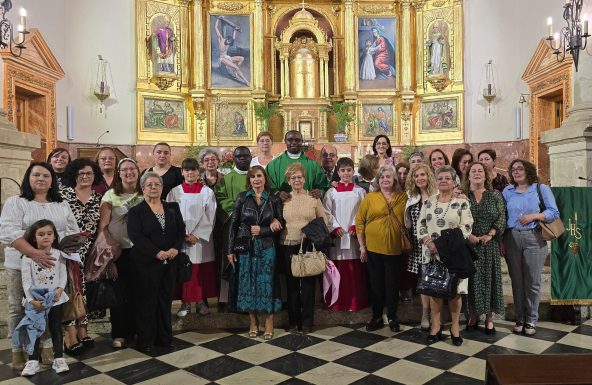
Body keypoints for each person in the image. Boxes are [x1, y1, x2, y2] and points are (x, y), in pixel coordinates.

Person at [0, 162, 79, 370]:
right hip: (21, 263)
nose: (41, 179)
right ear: (28, 178)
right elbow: (9, 231)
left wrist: (69, 246)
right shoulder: (16, 202)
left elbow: (71, 230)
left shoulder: (60, 204)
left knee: (48, 307)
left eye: (46, 175)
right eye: (36, 175)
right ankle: (18, 350)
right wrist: (34, 253)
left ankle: (44, 347)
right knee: (20, 306)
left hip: (53, 265)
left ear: (52, 180)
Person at [127, 172, 186, 353]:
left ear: (162, 188)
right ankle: (146, 340)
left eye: (157, 184)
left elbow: (181, 230)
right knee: (147, 302)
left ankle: (165, 338)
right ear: (143, 189)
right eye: (149, 185)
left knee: (165, 301)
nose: (153, 188)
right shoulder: (136, 211)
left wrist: (175, 248)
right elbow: (136, 236)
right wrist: (156, 252)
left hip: (170, 262)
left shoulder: (172, 207)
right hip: (146, 264)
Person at [417, 165, 473, 346]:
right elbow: (421, 225)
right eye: (440, 178)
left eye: (447, 178)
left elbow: (466, 227)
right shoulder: (429, 202)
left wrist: (443, 245)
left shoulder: (462, 203)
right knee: (435, 291)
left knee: (455, 293)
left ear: (454, 181)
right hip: (432, 254)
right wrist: (428, 242)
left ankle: (455, 327)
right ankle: (436, 326)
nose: (443, 181)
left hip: (454, 255)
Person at [503, 159, 559, 336]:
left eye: (520, 168)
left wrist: (534, 216)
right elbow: (502, 216)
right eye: (513, 170)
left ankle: (532, 320)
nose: (516, 172)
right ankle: (520, 318)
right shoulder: (507, 191)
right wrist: (500, 241)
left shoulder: (540, 189)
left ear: (528, 170)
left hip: (534, 237)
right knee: (517, 281)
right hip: (511, 238)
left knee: (532, 282)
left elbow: (553, 212)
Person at [227, 166, 284, 339]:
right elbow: (233, 224)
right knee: (248, 283)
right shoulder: (242, 198)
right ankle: (253, 322)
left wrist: (264, 230)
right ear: (249, 180)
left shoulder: (273, 200)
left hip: (267, 247)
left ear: (265, 179)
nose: (256, 179)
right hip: (246, 247)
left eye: (259, 176)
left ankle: (269, 321)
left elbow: (281, 224)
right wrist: (230, 249)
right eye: (252, 177)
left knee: (267, 283)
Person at [99, 158, 144, 348]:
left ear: (138, 171)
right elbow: (103, 226)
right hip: (119, 251)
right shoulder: (110, 195)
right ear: (119, 173)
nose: (128, 172)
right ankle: (119, 333)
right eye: (124, 170)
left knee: (139, 294)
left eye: (132, 169)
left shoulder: (145, 193)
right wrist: (111, 251)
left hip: (142, 251)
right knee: (119, 295)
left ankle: (138, 332)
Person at [60, 158, 104, 353]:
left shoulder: (98, 198)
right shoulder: (63, 195)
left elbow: (100, 227)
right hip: (66, 252)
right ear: (74, 175)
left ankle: (83, 330)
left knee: (83, 291)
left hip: (88, 253)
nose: (85, 177)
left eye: (89, 173)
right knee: (70, 290)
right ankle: (69, 334)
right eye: (81, 173)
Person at [356, 165, 407, 332]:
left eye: (389, 177)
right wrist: (362, 246)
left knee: (392, 285)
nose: (385, 179)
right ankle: (376, 316)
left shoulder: (402, 197)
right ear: (378, 180)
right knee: (376, 284)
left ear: (394, 180)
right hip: (373, 248)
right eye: (382, 177)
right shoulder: (370, 197)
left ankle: (392, 317)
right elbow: (360, 222)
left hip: (394, 249)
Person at [280, 163, 329, 333]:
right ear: (288, 180)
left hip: (308, 245)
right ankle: (294, 321)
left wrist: (310, 232)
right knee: (292, 285)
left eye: (299, 177)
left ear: (304, 179)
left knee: (308, 285)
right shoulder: (283, 199)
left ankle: (307, 321)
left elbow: (324, 220)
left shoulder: (313, 198)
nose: (296, 180)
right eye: (293, 177)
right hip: (287, 244)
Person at [18, 220, 70, 376]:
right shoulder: (28, 258)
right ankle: (32, 360)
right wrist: (31, 300)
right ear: (34, 238)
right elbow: (26, 281)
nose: (46, 237)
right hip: (36, 300)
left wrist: (60, 289)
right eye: (41, 234)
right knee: (34, 329)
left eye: (49, 234)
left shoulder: (59, 254)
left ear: (54, 236)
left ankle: (59, 358)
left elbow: (63, 275)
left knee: (55, 328)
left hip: (55, 299)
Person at [167, 158, 217, 317]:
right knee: (184, 271)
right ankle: (185, 303)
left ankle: (201, 301)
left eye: (193, 170)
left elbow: (211, 215)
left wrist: (196, 234)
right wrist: (181, 235)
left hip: (200, 241)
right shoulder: (174, 192)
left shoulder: (207, 192)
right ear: (182, 172)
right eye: (186, 170)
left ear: (198, 172)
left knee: (200, 272)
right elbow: (170, 215)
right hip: (181, 240)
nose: (190, 173)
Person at [463, 162, 506, 335]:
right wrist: (468, 235)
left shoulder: (495, 196)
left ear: (486, 175)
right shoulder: (463, 196)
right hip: (469, 246)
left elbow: (502, 216)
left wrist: (491, 234)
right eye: (473, 171)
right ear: (468, 176)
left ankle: (489, 318)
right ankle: (473, 316)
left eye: (480, 170)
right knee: (471, 282)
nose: (477, 173)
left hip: (490, 246)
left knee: (490, 281)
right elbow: (457, 218)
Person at [323, 158, 367, 311]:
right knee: (338, 267)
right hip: (338, 237)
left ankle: (355, 302)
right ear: (338, 172)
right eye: (343, 170)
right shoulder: (331, 192)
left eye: (349, 170)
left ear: (353, 171)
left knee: (354, 270)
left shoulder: (360, 192)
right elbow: (326, 213)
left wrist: (356, 225)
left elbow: (363, 211)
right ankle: (338, 302)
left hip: (354, 236)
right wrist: (335, 227)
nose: (346, 173)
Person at [215, 147, 253, 304]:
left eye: (246, 156)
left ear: (251, 157)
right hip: (233, 226)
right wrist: (240, 210)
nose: (243, 158)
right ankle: (233, 300)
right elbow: (220, 197)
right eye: (239, 156)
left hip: (254, 227)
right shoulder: (226, 178)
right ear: (234, 159)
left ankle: (251, 299)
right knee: (234, 262)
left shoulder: (256, 175)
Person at [404, 164, 437, 330]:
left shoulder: (437, 195)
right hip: (418, 246)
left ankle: (435, 314)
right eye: (416, 176)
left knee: (434, 281)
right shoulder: (412, 197)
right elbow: (408, 223)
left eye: (423, 175)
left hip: (435, 245)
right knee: (423, 282)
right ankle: (425, 313)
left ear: (428, 176)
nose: (420, 178)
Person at [266, 130, 329, 201]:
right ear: (285, 141)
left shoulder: (313, 165)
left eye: (297, 140)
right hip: (281, 207)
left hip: (307, 206)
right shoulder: (273, 165)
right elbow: (266, 187)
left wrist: (320, 192)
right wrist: (278, 193)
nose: (294, 143)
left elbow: (323, 186)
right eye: (290, 140)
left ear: (302, 141)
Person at [214, 16, 250, 86]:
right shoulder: (221, 39)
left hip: (227, 57)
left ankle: (234, 69)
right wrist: (218, 19)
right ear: (226, 39)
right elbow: (216, 28)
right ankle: (246, 81)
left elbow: (233, 37)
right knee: (237, 68)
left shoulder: (229, 42)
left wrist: (235, 30)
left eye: (229, 43)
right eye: (228, 41)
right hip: (222, 59)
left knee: (242, 58)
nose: (228, 43)